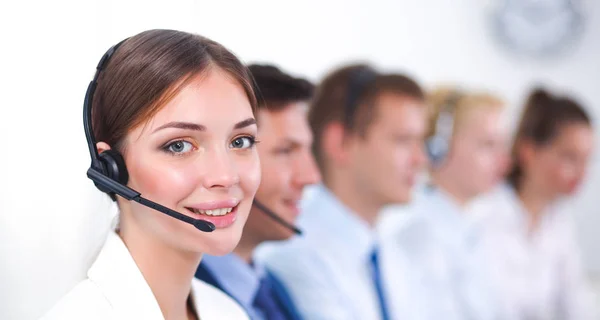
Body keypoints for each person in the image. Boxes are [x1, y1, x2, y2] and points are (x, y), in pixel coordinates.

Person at [41, 29, 262, 320]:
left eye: (240, 141)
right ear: (111, 168)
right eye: (179, 145)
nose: (226, 175)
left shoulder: (228, 311)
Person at [255, 64, 428, 320]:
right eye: (402, 140)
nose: (420, 159)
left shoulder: (393, 255)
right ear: (340, 143)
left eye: (421, 141)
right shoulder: (297, 254)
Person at [195, 64, 320, 320]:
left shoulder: (273, 287)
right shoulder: (181, 298)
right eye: (286, 151)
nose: (311, 177)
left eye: (308, 151)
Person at [378, 87, 510, 320]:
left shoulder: (470, 225)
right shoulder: (417, 236)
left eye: (502, 146)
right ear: (438, 148)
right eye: (488, 145)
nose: (503, 160)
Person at [478, 87, 597, 320]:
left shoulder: (559, 220)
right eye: (570, 157)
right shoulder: (483, 213)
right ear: (528, 151)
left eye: (587, 160)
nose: (582, 173)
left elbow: (576, 302)